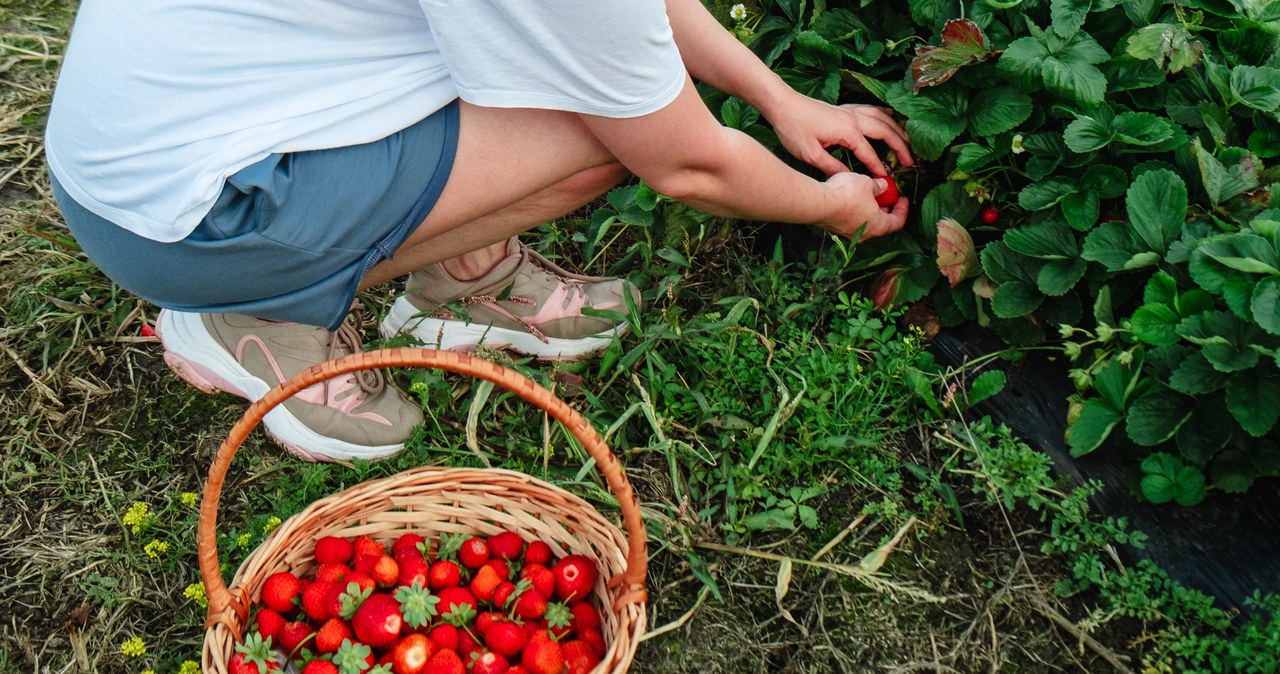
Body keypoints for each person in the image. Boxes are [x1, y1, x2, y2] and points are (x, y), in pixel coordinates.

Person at [45, 0, 913, 463]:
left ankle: (461, 273)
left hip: (131, 162)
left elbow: (631, 13)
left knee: (584, 76)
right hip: (192, 220)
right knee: (602, 125)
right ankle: (252, 314)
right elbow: (688, 165)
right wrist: (832, 207)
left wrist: (780, 97)